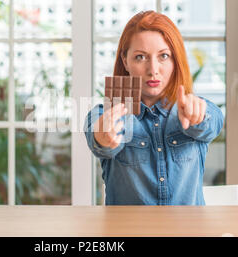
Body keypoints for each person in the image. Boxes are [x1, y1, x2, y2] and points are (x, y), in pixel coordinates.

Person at [84, 11, 224, 205]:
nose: (153, 69)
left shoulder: (196, 108)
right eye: (140, 57)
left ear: (176, 61)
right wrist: (104, 136)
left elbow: (214, 121)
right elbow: (98, 137)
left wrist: (198, 117)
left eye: (164, 56)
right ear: (125, 61)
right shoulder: (104, 115)